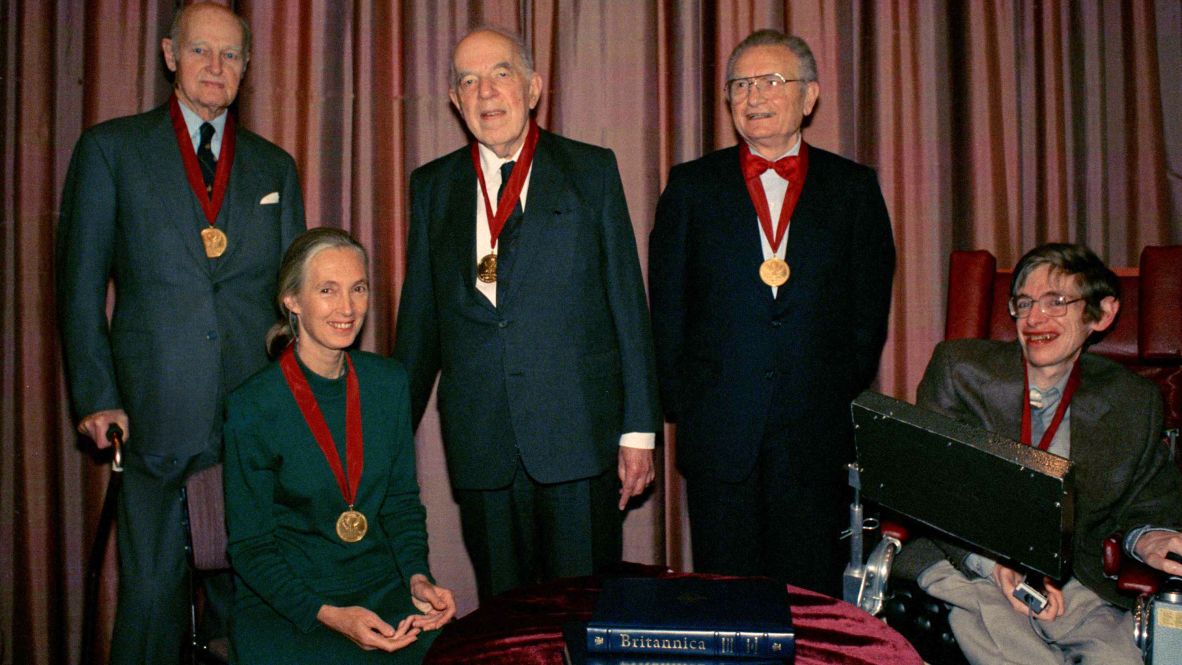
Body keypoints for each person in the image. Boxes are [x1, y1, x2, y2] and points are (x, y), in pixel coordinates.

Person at [55, 3, 304, 662]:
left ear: (247, 68)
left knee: (250, 605)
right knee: (150, 600)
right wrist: (95, 395)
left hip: (251, 426)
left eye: (230, 55)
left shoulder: (275, 167)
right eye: (200, 51)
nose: (215, 67)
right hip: (152, 419)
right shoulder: (112, 150)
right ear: (170, 54)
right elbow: (79, 289)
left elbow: (294, 304)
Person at [393, 27, 661, 601]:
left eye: (500, 73)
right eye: (468, 80)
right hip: (481, 440)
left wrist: (639, 430)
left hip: (577, 438)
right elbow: (419, 327)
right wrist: (386, 435)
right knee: (504, 622)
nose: (485, 91)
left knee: (583, 614)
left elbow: (627, 307)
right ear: (454, 101)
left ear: (533, 87)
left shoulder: (591, 171)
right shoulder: (432, 187)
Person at [648, 29, 896, 595]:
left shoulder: (853, 189)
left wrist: (824, 390)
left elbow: (867, 315)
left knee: (809, 604)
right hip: (719, 438)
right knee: (727, 604)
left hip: (815, 436)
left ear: (809, 97)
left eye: (771, 82)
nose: (753, 96)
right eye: (740, 84)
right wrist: (688, 403)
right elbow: (666, 309)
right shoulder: (690, 186)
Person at [911, 243, 1182, 664]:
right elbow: (931, 485)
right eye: (1024, 303)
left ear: (1102, 313)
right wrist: (994, 563)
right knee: (1010, 645)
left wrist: (1147, 538)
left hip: (1069, 575)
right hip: (967, 560)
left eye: (1057, 301)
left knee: (1118, 658)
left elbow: (1148, 500)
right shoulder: (959, 369)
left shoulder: (1134, 401)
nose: (1035, 318)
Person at [223, 228, 456, 663]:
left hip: (381, 588)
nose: (347, 308)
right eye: (327, 290)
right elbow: (250, 547)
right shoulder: (252, 405)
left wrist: (418, 579)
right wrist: (330, 615)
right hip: (291, 603)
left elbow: (401, 504)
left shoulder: (388, 383)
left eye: (358, 289)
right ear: (291, 300)